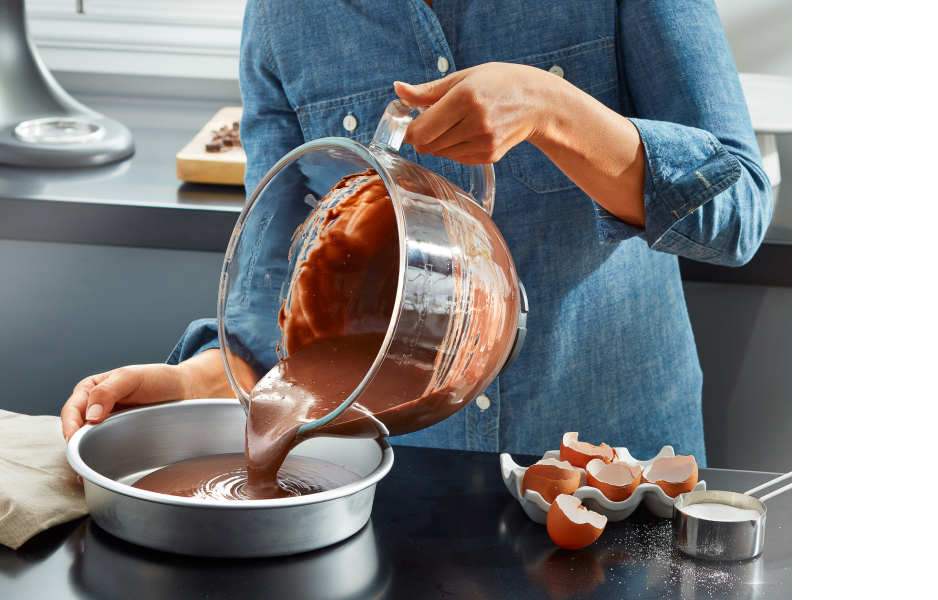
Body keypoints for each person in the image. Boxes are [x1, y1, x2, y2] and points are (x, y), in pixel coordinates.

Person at [59, 0, 769, 462]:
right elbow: (272, 280)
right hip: (402, 485)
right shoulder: (282, 15)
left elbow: (735, 214)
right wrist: (198, 382)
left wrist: (556, 112)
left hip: (615, 477)